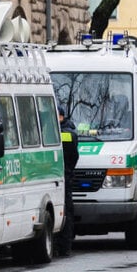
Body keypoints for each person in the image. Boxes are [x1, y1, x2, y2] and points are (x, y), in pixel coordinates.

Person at [57, 104, 79, 257]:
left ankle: (65, 246)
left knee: (65, 209)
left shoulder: (66, 133)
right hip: (65, 173)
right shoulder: (67, 131)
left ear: (60, 116)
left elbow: (71, 155)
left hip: (64, 174)